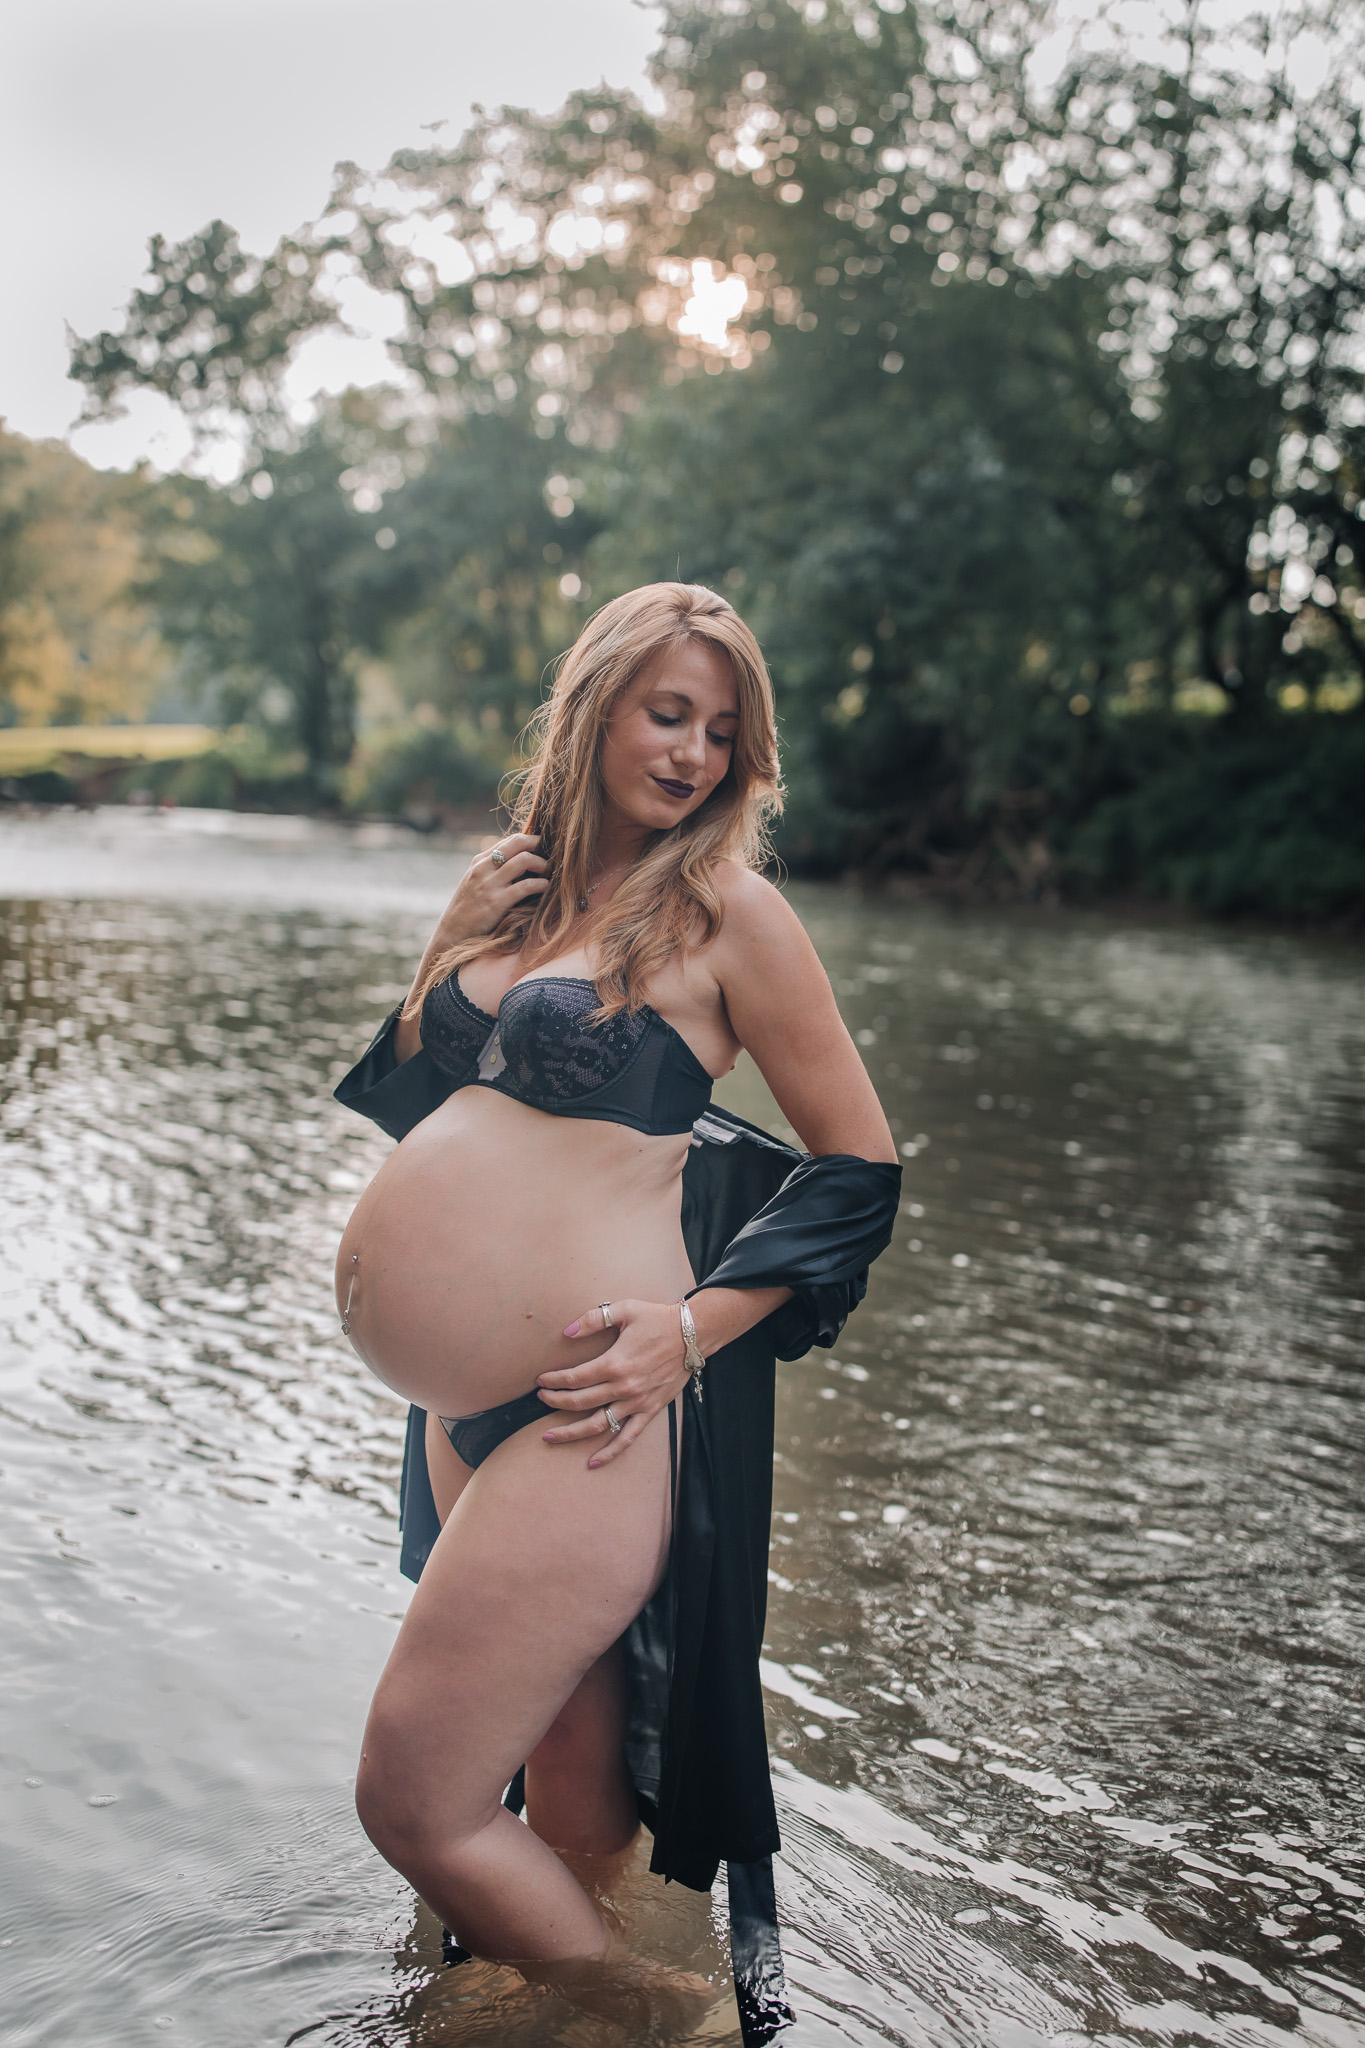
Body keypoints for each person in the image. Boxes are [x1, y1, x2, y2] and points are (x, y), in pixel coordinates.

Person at [332, 582, 900, 2041]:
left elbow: (860, 1168)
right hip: (463, 1412)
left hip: (589, 1406)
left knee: (413, 1793)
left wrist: (693, 1327)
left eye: (722, 729)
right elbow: (431, 1108)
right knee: (574, 1795)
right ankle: (533, 2013)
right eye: (668, 714)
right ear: (592, 705)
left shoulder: (729, 911)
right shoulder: (523, 885)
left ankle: (663, 2016)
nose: (695, 752)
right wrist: (447, 954)